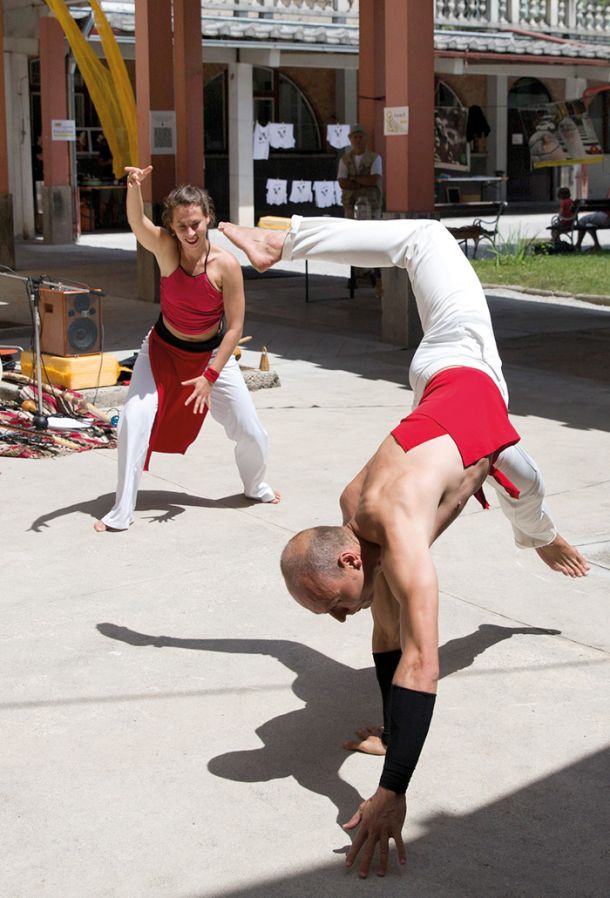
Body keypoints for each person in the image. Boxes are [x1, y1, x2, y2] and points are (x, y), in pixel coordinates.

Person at [218, 214, 589, 878]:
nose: (339, 618)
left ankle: (282, 240)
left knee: (428, 241)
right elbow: (387, 636)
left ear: (352, 557)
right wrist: (392, 735)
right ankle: (535, 525)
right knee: (521, 476)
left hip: (463, 364)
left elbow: (423, 662)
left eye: (333, 605)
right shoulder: (350, 511)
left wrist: (393, 789)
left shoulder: (397, 531)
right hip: (438, 393)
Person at [95, 167, 278, 532]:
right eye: (182, 226)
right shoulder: (167, 249)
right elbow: (137, 222)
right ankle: (121, 510)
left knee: (250, 430)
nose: (190, 233)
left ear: (208, 218)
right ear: (173, 227)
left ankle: (255, 485)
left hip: (211, 358)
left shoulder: (226, 265)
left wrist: (210, 376)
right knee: (135, 417)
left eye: (196, 223)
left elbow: (236, 327)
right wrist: (133, 187)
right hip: (162, 350)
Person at [337, 125, 383, 220]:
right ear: (350, 139)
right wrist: (362, 181)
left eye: (360, 137)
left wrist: (353, 179)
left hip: (372, 204)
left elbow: (373, 180)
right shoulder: (344, 160)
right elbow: (342, 182)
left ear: (366, 139)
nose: (358, 140)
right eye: (355, 137)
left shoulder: (375, 158)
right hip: (350, 205)